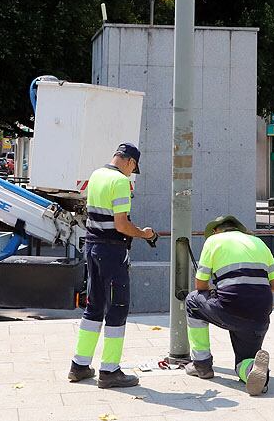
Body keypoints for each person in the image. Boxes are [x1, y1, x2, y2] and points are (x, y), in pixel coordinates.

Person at [68, 142, 155, 389]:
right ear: (130, 161)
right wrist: (144, 234)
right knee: (117, 306)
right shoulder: (120, 183)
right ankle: (110, 371)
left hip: (92, 247)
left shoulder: (96, 175)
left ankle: (80, 365)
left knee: (94, 306)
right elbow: (121, 225)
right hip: (112, 251)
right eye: (133, 169)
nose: (131, 174)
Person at [184, 215, 274, 396]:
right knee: (245, 360)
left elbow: (200, 285)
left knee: (192, 301)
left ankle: (201, 365)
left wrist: (218, 289)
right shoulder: (259, 243)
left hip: (229, 307)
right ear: (238, 229)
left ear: (216, 230)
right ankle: (252, 370)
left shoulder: (213, 241)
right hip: (260, 314)